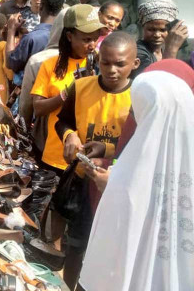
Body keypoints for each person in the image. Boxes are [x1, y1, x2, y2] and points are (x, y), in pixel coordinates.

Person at [79, 70, 194, 291]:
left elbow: (108, 261)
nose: (131, 114)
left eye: (134, 108)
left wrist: (110, 186)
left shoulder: (131, 171)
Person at [55, 32, 139, 290]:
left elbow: (141, 143)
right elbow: (63, 120)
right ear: (97, 60)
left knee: (109, 251)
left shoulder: (139, 97)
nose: (112, 70)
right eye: (106, 63)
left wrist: (107, 148)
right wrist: (69, 135)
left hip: (119, 186)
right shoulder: (81, 87)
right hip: (83, 181)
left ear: (135, 64)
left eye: (120, 64)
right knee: (77, 244)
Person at [31, 4, 103, 172]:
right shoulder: (50, 66)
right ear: (70, 36)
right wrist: (66, 94)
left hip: (91, 159)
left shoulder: (103, 64)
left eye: (95, 38)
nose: (92, 44)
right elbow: (38, 108)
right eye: (86, 39)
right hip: (56, 156)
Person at [5, 0, 65, 73]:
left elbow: (9, 63)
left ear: (40, 7)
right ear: (62, 8)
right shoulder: (68, 36)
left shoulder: (31, 39)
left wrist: (11, 30)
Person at [132, 0, 189, 78]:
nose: (157, 35)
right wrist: (171, 49)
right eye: (151, 29)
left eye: (163, 30)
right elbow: (158, 82)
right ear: (143, 27)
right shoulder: (139, 52)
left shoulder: (162, 50)